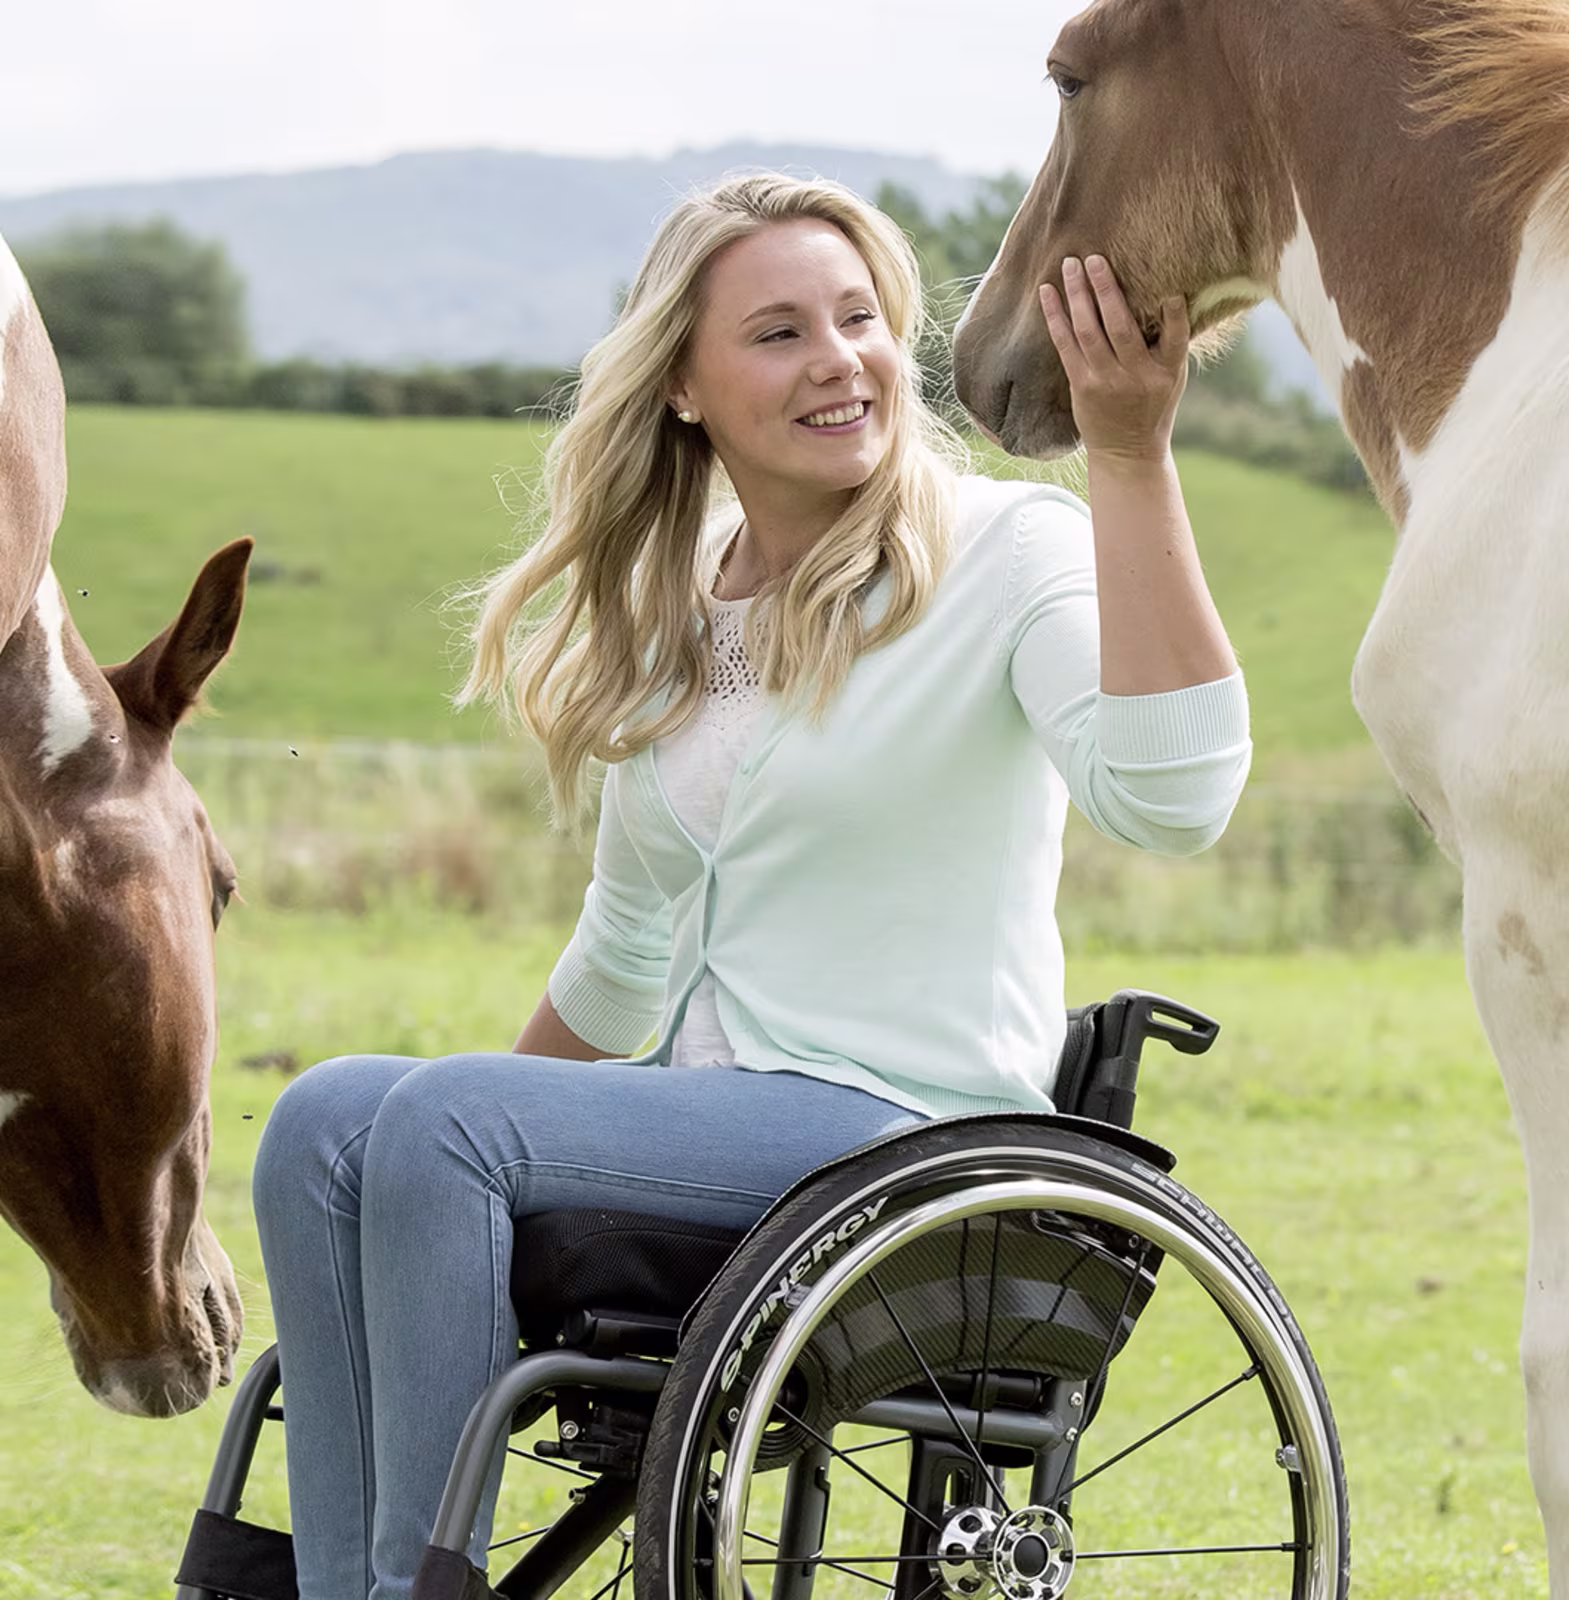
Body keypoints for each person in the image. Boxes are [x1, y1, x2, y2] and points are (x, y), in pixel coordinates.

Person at [251, 172, 1250, 1600]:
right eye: (779, 333)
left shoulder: (1006, 555)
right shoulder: (688, 620)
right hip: (718, 1115)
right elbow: (622, 953)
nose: (841, 361)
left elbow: (1174, 797)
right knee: (324, 1118)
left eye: (858, 319)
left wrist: (1131, 459)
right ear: (683, 387)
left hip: (905, 1131)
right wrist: (464, 1123)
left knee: (443, 1123)